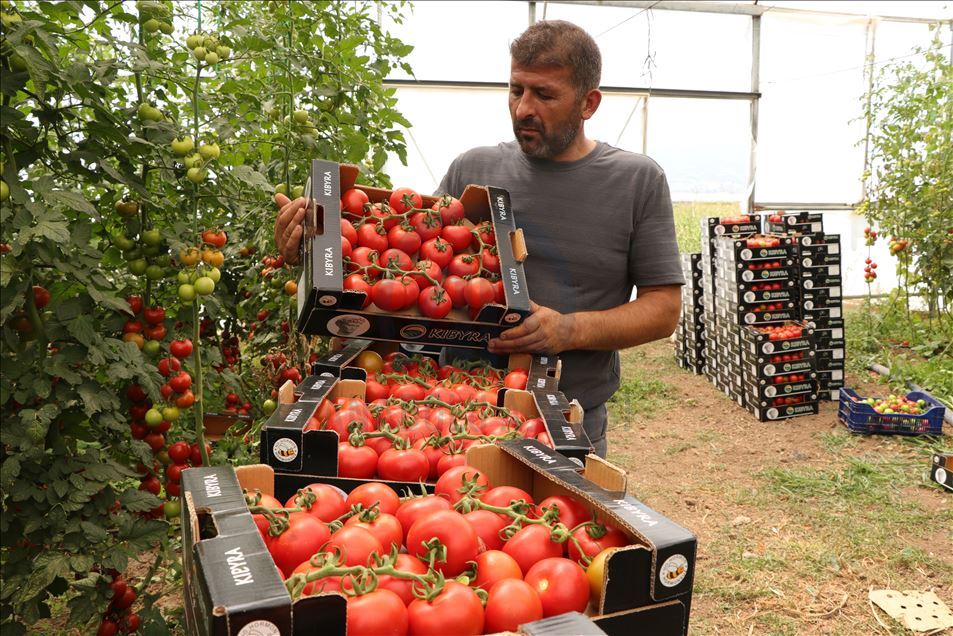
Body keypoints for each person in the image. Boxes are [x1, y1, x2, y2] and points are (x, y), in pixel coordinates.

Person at [274, 20, 683, 457]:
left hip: (565, 418)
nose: (524, 107)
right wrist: (314, 256)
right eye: (516, 90)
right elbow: (411, 282)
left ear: (589, 103)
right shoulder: (473, 171)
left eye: (544, 95)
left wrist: (568, 328)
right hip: (454, 408)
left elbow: (663, 308)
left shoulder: (636, 181)